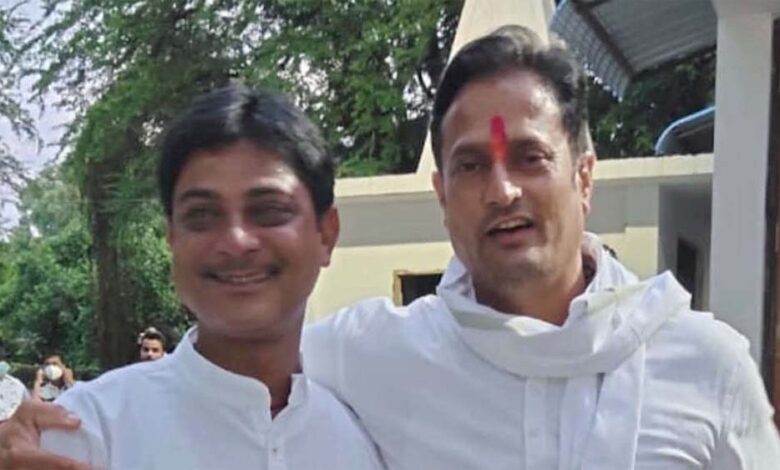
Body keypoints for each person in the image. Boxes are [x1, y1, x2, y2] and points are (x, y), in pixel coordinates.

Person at [2, 25, 779, 470]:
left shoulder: (705, 365)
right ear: (442, 193)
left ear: (584, 176)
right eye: (470, 165)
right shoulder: (374, 353)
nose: (502, 191)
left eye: (530, 158)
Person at [17, 85, 383, 470]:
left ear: (326, 234)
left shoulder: (363, 440)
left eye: (269, 211)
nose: (236, 241)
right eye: (202, 216)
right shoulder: (85, 433)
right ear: (172, 237)